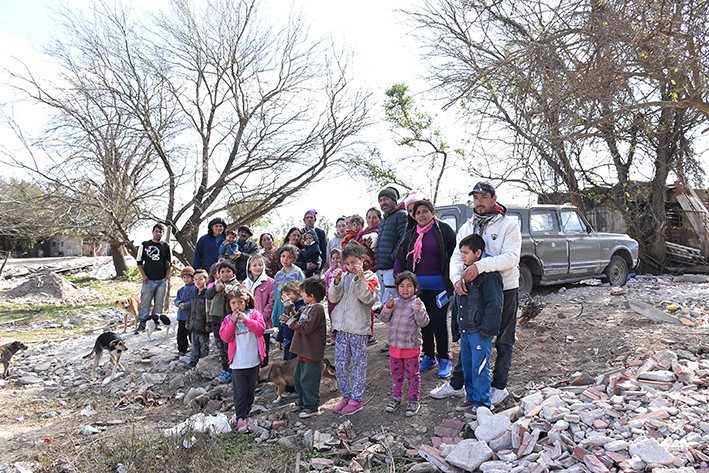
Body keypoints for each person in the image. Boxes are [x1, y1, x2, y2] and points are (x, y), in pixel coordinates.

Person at [432, 181, 521, 406]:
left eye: (484, 197)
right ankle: (458, 384)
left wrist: (480, 267)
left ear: (493, 198)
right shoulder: (467, 225)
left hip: (504, 288)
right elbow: (455, 256)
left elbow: (512, 257)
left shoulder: (507, 225)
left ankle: (498, 386)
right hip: (471, 292)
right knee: (469, 338)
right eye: (476, 198)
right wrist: (455, 280)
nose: (479, 202)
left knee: (503, 338)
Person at [396, 199, 457, 378]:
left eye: (425, 211)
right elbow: (400, 258)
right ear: (413, 216)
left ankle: (444, 357)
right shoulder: (411, 234)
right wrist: (399, 279)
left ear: (432, 212)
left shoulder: (443, 230)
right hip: (419, 289)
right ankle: (429, 356)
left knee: (438, 320)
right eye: (417, 213)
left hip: (440, 287)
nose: (421, 215)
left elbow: (455, 256)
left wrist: (454, 281)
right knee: (423, 321)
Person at [328, 242, 381, 416]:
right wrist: (335, 282)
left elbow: (367, 298)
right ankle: (346, 395)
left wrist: (359, 278)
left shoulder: (370, 276)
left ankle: (357, 399)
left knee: (358, 365)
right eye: (347, 263)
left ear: (362, 259)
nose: (351, 266)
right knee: (341, 365)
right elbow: (333, 298)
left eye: (354, 262)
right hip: (342, 330)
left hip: (358, 329)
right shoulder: (343, 277)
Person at [454, 234, 503, 416]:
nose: (462, 256)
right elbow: (458, 303)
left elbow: (495, 304)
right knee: (467, 365)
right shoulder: (465, 274)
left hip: (480, 332)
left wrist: (487, 330)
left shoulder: (489, 276)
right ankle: (472, 397)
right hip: (466, 330)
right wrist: (456, 328)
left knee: (480, 367)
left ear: (478, 253)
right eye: (461, 252)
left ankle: (483, 404)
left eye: (466, 252)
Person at [379, 271, 429, 417]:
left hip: (411, 348)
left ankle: (414, 401)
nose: (405, 289)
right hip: (395, 347)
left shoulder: (417, 303)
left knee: (413, 375)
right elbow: (383, 318)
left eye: (409, 286)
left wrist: (418, 309)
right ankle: (396, 398)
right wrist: (388, 306)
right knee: (396, 374)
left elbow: (423, 322)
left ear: (415, 288)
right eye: (402, 286)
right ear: (397, 287)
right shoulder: (394, 302)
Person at [279, 276, 328, 418]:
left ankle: (312, 406)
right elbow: (295, 316)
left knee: (309, 380)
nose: (302, 296)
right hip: (303, 351)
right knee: (299, 377)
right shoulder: (307, 307)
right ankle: (302, 401)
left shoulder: (317, 310)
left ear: (311, 296)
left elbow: (306, 328)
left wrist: (290, 322)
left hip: (312, 351)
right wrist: (288, 305)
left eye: (304, 294)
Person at [219, 287, 266, 433]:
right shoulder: (227, 319)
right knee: (240, 392)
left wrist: (246, 320)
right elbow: (225, 337)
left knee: (250, 391)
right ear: (229, 304)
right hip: (238, 363)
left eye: (240, 302)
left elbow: (260, 330)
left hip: (253, 360)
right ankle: (240, 417)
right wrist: (233, 322)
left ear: (246, 302)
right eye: (233, 303)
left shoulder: (254, 314)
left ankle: (244, 413)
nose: (237, 306)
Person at [375, 186, 407, 352]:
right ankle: (393, 339)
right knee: (388, 306)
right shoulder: (385, 219)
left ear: (394, 200)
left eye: (386, 199)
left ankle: (398, 341)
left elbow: (402, 239)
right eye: (380, 200)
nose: (383, 203)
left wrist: (393, 258)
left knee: (396, 305)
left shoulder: (401, 215)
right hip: (382, 269)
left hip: (392, 269)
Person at [206, 260, 241, 384]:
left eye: (228, 271)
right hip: (215, 319)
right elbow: (207, 295)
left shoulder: (236, 285)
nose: (225, 274)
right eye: (222, 272)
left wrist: (226, 290)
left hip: (228, 320)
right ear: (218, 274)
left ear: (233, 273)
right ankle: (225, 370)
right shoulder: (216, 284)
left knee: (229, 347)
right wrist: (215, 289)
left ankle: (233, 371)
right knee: (220, 347)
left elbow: (237, 298)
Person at [135, 224, 172, 333]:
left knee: (159, 304)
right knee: (145, 303)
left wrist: (166, 277)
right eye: (157, 231)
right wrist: (143, 275)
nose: (158, 234)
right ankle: (142, 324)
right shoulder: (145, 245)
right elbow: (139, 262)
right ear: (153, 232)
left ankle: (156, 324)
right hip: (148, 280)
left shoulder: (166, 246)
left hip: (161, 280)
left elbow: (169, 263)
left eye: (161, 232)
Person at [243, 254, 275, 367]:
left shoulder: (269, 282)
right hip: (249, 321)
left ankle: (263, 372)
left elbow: (272, 300)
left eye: (260, 265)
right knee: (251, 347)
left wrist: (264, 315)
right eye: (254, 265)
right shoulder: (245, 283)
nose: (258, 267)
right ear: (249, 268)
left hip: (263, 322)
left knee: (263, 348)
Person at [272, 244, 306, 335]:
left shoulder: (297, 272)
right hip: (280, 302)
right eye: (283, 256)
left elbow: (301, 290)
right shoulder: (278, 274)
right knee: (281, 324)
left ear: (294, 259)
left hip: (292, 303)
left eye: (289, 257)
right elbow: (276, 292)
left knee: (291, 323)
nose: (285, 259)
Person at [186, 269, 210, 369]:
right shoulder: (193, 293)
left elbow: (208, 310)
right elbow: (190, 309)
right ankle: (193, 361)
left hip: (203, 324)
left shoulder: (208, 293)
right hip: (193, 323)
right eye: (195, 279)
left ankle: (203, 362)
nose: (198, 281)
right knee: (194, 344)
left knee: (204, 345)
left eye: (200, 279)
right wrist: (188, 321)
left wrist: (208, 323)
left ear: (206, 280)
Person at [275, 281, 303, 361]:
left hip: (296, 342)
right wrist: (279, 339)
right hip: (286, 341)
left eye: (288, 294)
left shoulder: (302, 307)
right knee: (286, 363)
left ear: (298, 292)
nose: (286, 297)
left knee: (293, 363)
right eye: (284, 296)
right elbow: (283, 325)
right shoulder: (287, 308)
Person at [174, 266, 196, 356]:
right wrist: (179, 303)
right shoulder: (181, 290)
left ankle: (195, 348)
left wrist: (186, 305)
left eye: (188, 277)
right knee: (181, 333)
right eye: (184, 277)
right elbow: (176, 300)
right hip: (181, 316)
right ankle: (182, 349)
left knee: (191, 333)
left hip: (191, 315)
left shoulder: (195, 288)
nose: (186, 279)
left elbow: (195, 301)